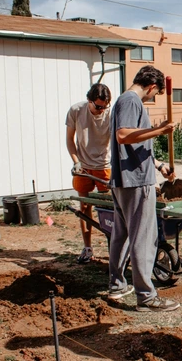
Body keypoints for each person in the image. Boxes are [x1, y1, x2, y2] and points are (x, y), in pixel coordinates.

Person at [107, 65, 179, 312]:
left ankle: (117, 284)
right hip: (136, 182)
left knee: (122, 236)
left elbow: (137, 145)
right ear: (151, 86)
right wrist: (161, 130)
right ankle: (147, 297)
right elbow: (123, 136)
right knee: (144, 238)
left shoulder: (125, 102)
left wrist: (159, 166)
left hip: (126, 180)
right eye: (156, 93)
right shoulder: (130, 101)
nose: (154, 98)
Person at [66, 83, 113, 264]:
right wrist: (76, 162)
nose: (101, 110)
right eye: (98, 106)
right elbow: (70, 140)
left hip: (104, 166)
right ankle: (87, 248)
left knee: (109, 209)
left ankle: (114, 250)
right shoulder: (76, 111)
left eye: (105, 106)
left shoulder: (110, 114)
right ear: (89, 100)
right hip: (83, 167)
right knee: (85, 208)